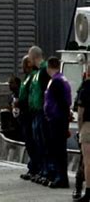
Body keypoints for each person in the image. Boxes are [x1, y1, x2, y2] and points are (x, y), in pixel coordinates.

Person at [44, 56, 72, 188]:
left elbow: (60, 102)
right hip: (60, 119)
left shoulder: (56, 82)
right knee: (60, 150)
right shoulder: (62, 79)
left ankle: (61, 177)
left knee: (58, 150)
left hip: (57, 120)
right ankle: (60, 176)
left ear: (49, 67)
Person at [27, 45, 51, 185]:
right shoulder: (37, 72)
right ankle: (42, 170)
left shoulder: (43, 71)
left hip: (42, 112)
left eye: (29, 56)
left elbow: (45, 92)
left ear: (33, 56)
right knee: (38, 142)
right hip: (36, 110)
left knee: (43, 142)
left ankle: (46, 170)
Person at [17, 55, 39, 181]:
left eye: (24, 64)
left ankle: (36, 167)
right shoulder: (27, 77)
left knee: (33, 141)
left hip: (29, 112)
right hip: (24, 112)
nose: (22, 67)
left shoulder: (33, 76)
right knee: (29, 142)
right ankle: (32, 167)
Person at [77, 68, 90, 201]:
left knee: (88, 162)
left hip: (88, 126)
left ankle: (88, 191)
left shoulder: (85, 90)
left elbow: (80, 115)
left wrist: (80, 130)